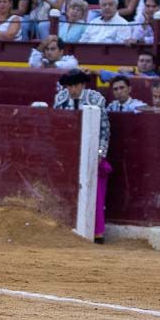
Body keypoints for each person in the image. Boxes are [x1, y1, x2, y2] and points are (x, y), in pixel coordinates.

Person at [53, 69, 111, 242]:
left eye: (75, 85)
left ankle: (97, 233)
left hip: (92, 153)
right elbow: (57, 127)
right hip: (69, 154)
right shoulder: (60, 99)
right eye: (69, 86)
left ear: (83, 85)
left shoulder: (96, 99)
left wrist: (100, 153)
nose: (71, 90)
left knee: (96, 192)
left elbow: (104, 129)